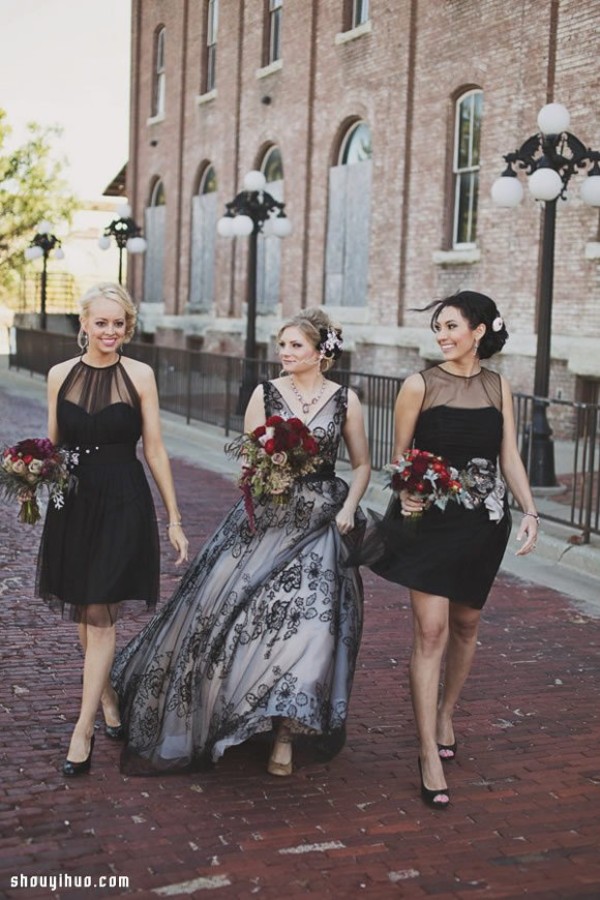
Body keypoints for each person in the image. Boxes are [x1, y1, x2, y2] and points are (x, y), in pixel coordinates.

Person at [111, 307, 371, 777]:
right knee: (230, 613)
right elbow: (249, 457)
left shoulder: (346, 401)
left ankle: (286, 733)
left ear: (320, 352)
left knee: (312, 626)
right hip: (266, 519)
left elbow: (363, 465)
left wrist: (350, 506)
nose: (284, 353)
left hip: (320, 524)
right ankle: (232, 705)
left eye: (294, 345)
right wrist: (262, 477)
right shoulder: (265, 393)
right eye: (282, 344)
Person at [366, 290, 538, 809]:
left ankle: (446, 713)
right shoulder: (419, 384)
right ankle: (427, 752)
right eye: (437, 327)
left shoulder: (499, 386)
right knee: (432, 631)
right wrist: (408, 491)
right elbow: (400, 459)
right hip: (431, 521)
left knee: (466, 624)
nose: (441, 335)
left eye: (450, 326)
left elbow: (508, 454)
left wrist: (529, 510)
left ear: (479, 330)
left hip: (484, 523)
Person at [36, 282, 189, 777]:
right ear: (83, 324)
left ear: (128, 327)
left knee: (100, 613)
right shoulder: (59, 374)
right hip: (74, 503)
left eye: (118, 324)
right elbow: (52, 446)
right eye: (100, 322)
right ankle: (104, 694)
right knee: (85, 609)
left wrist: (175, 517)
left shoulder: (140, 374)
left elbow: (157, 449)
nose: (109, 331)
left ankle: (82, 731)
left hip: (123, 498)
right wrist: (29, 474)